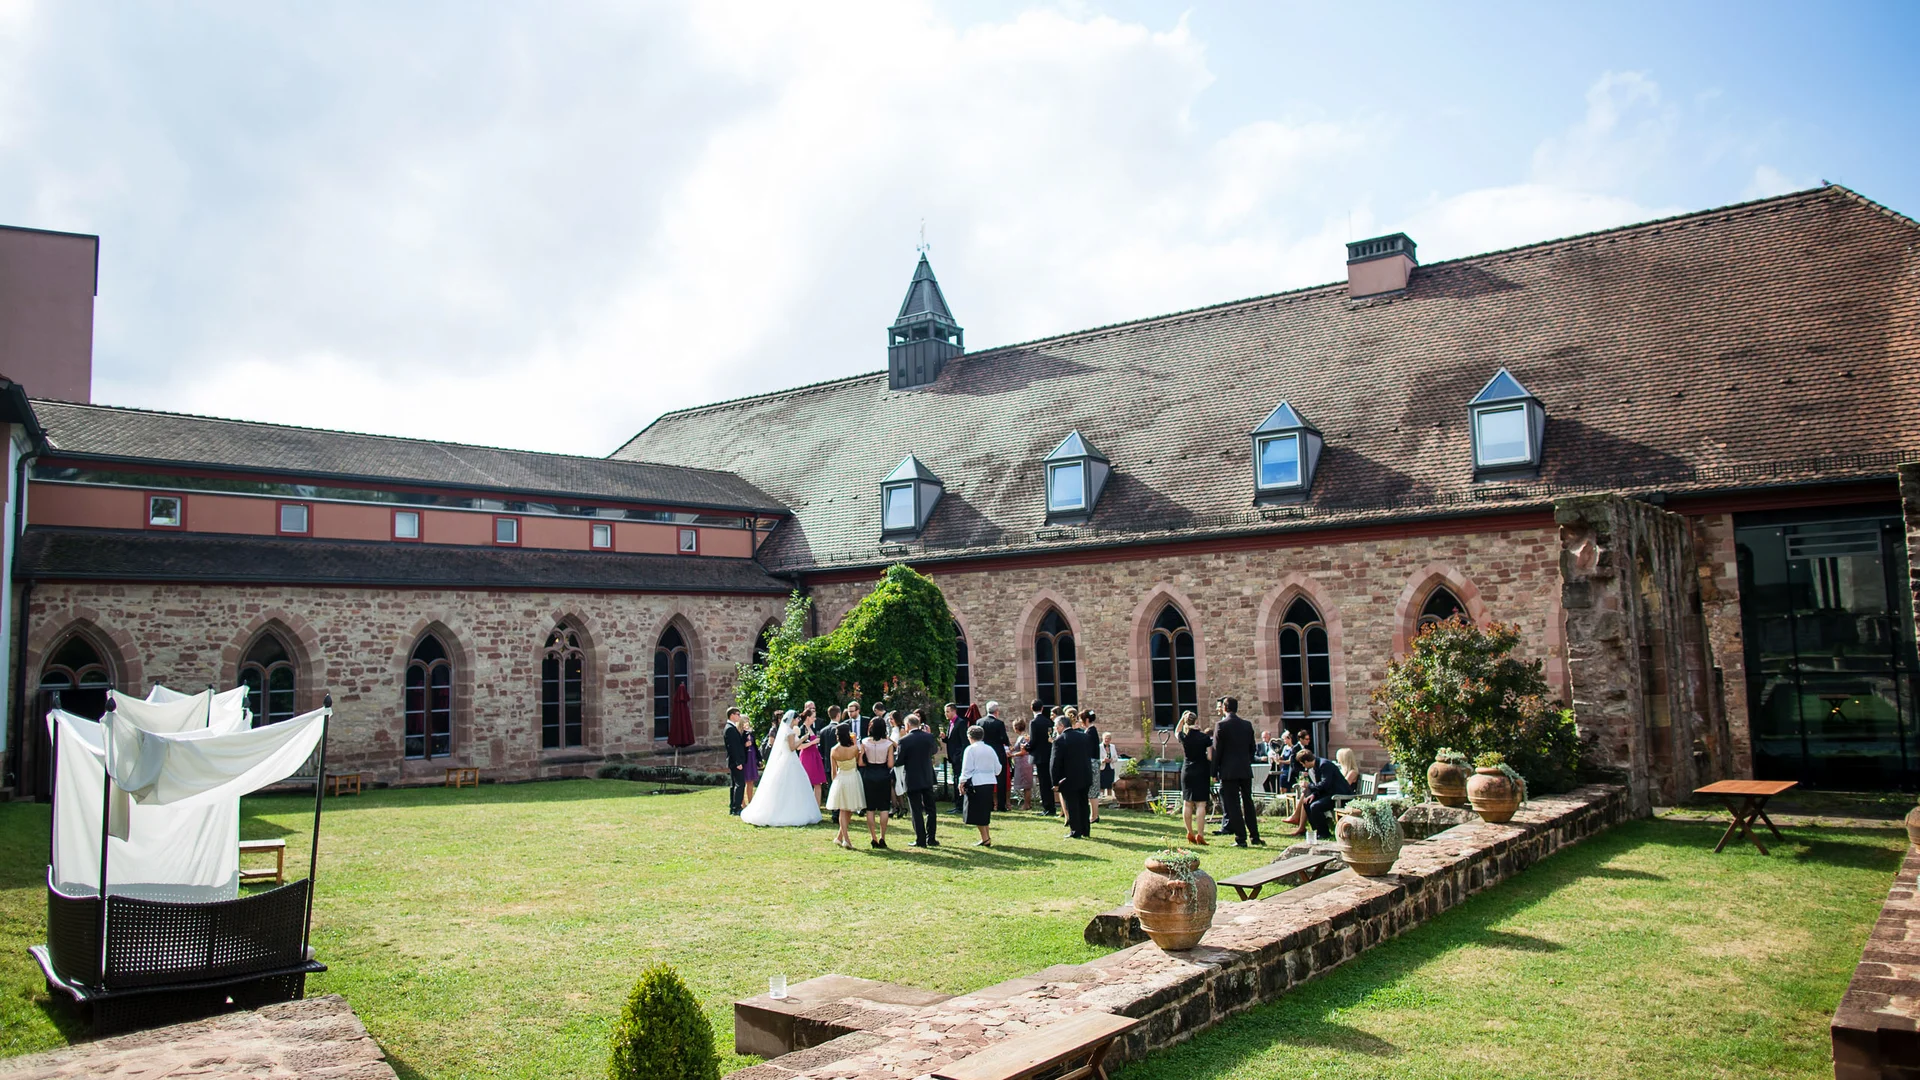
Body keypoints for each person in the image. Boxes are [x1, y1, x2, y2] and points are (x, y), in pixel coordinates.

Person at [741, 710, 823, 827]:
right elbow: (792, 747)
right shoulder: (789, 732)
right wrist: (803, 738)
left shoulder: (786, 730)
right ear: (792, 720)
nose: (798, 721)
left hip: (788, 760)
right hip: (789, 760)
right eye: (797, 719)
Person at [1211, 696, 1263, 848]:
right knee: (1248, 801)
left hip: (1228, 770)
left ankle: (1241, 838)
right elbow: (1252, 748)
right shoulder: (1246, 725)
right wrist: (1246, 761)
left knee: (1232, 804)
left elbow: (1217, 751)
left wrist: (1214, 772)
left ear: (1225, 708)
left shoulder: (1221, 725)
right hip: (1244, 768)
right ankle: (1255, 836)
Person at [895, 713, 941, 848]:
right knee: (931, 809)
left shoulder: (904, 740)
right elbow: (934, 751)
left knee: (916, 810)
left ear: (908, 725)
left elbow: (900, 761)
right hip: (927, 776)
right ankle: (931, 838)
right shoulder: (928, 737)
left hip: (912, 777)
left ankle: (920, 839)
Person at [1052, 713, 1094, 839]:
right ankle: (1085, 829)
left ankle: (1075, 830)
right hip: (1085, 775)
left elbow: (1055, 763)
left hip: (1069, 777)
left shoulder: (1060, 740)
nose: (1055, 729)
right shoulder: (1084, 737)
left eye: (1055, 726)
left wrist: (1055, 782)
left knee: (1072, 804)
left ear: (1061, 726)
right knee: (1083, 803)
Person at [824, 726, 865, 849]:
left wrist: (834, 783)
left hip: (841, 778)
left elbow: (833, 771)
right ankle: (846, 839)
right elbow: (858, 762)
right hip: (852, 776)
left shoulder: (834, 750)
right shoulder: (854, 748)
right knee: (846, 808)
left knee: (847, 808)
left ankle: (840, 836)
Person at [959, 724, 1000, 846]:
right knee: (984, 810)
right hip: (989, 782)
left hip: (976, 782)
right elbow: (998, 768)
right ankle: (986, 836)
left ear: (969, 736)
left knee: (977, 812)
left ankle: (985, 838)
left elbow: (966, 769)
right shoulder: (990, 749)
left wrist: (962, 782)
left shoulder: (970, 749)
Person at [1297, 749, 1353, 839]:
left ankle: (1324, 833)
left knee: (1315, 806)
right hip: (1330, 793)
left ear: (1306, 761)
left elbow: (1324, 784)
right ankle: (1318, 830)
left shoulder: (1324, 765)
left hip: (1339, 795)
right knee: (1306, 802)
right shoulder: (1317, 765)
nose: (1303, 766)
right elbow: (1322, 786)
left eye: (1303, 763)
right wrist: (1313, 795)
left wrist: (1308, 785)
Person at [858, 718, 896, 848]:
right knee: (884, 807)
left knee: (870, 808)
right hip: (883, 774)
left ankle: (873, 837)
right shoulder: (888, 744)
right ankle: (882, 837)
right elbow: (891, 764)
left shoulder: (864, 742)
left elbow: (860, 763)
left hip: (869, 775)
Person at [1177, 710, 1212, 846]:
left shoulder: (1184, 736)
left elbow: (1176, 731)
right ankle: (1200, 834)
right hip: (1201, 770)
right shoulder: (1204, 737)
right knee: (1200, 804)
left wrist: (1181, 719)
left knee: (1187, 802)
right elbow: (1209, 756)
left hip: (1187, 770)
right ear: (1196, 721)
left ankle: (1189, 831)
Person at [980, 702, 1010, 811]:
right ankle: (1001, 805)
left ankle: (989, 804)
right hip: (997, 753)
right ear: (996, 711)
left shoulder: (980, 722)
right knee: (1001, 779)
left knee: (985, 778)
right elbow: (1004, 739)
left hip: (984, 753)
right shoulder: (999, 724)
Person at [1029, 700, 1055, 816]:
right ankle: (1051, 806)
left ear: (1031, 708)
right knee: (1048, 782)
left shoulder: (1034, 722)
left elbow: (1033, 741)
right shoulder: (1048, 721)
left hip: (1039, 756)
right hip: (1048, 754)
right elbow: (1050, 738)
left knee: (1044, 783)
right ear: (1042, 708)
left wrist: (1027, 747)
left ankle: (1047, 807)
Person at [942, 703, 969, 813]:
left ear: (954, 711)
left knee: (959, 780)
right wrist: (945, 738)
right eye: (945, 712)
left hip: (958, 758)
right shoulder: (950, 724)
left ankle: (961, 806)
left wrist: (960, 757)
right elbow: (953, 740)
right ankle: (957, 804)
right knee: (956, 780)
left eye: (947, 711)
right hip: (953, 757)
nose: (946, 714)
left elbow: (964, 742)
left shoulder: (961, 723)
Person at [798, 705, 827, 799]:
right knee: (807, 782)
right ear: (808, 718)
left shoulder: (811, 728)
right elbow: (799, 746)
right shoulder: (801, 729)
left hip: (815, 756)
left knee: (818, 783)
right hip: (807, 757)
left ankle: (816, 808)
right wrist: (812, 743)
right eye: (813, 717)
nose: (815, 719)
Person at [724, 707, 749, 815]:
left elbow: (738, 744)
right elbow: (732, 747)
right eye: (738, 714)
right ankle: (737, 807)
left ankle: (733, 807)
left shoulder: (732, 727)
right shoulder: (729, 728)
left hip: (736, 760)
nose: (739, 716)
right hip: (736, 761)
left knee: (734, 784)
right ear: (732, 715)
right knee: (740, 784)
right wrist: (738, 762)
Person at [1008, 718, 1034, 810]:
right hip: (1021, 763)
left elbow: (1023, 752)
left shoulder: (1024, 737)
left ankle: (1027, 804)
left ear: (1016, 727)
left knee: (1026, 785)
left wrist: (1012, 755)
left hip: (1024, 762)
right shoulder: (1022, 737)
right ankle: (1027, 804)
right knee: (1025, 785)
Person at [1082, 710, 1102, 824]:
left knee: (1093, 791)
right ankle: (1093, 814)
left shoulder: (1090, 732)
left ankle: (1094, 815)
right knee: (1092, 791)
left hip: (1092, 763)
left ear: (1087, 720)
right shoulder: (1091, 731)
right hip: (1093, 762)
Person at [1098, 732, 1119, 798]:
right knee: (1102, 786)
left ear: (1110, 739)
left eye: (1108, 738)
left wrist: (1111, 760)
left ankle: (1109, 800)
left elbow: (1116, 758)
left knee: (1110, 786)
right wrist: (1103, 760)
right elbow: (1096, 759)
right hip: (1102, 768)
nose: (1107, 740)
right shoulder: (1099, 747)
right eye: (1105, 738)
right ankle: (1102, 799)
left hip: (1110, 768)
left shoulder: (1112, 746)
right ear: (1103, 738)